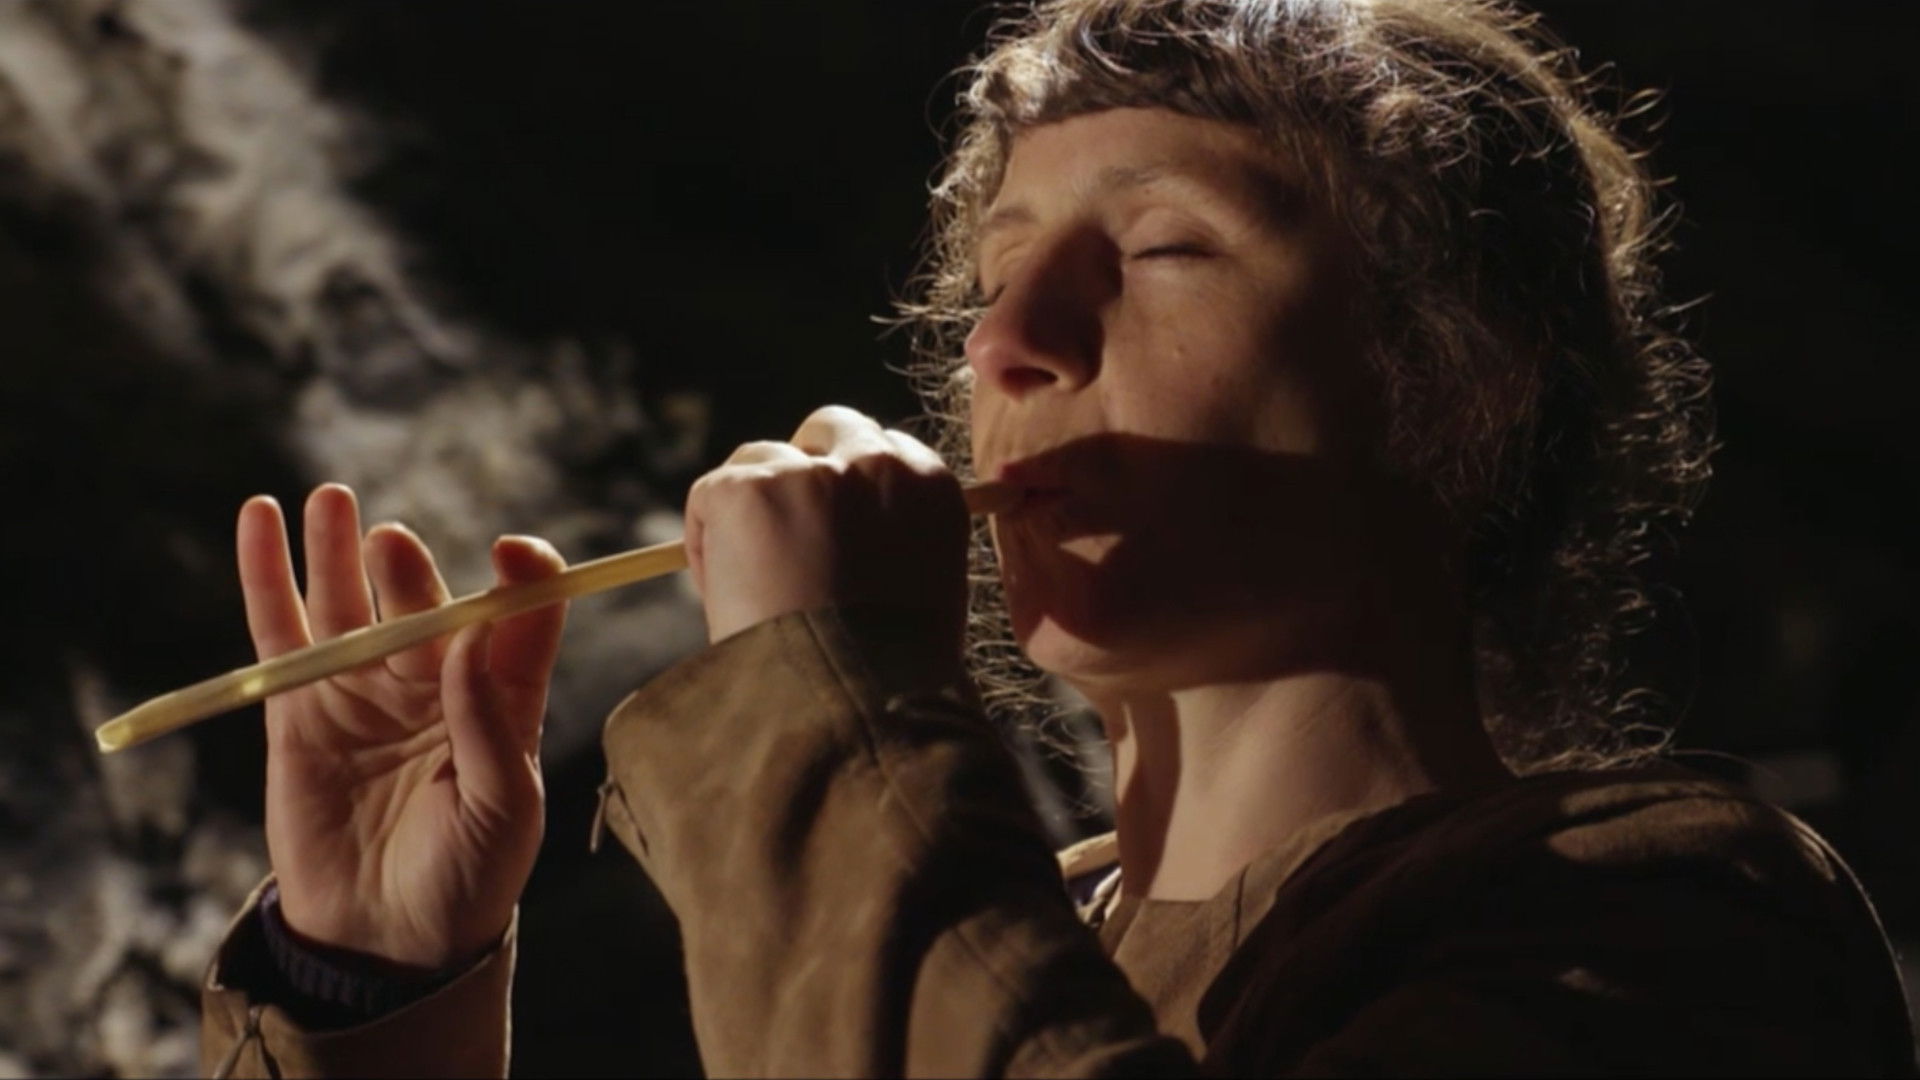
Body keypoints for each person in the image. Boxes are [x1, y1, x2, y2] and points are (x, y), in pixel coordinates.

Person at [199, 0, 1916, 1076]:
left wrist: (824, 699)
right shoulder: (970, 927)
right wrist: (368, 987)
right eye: (999, 272)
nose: (1008, 346)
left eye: (1164, 249)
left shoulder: (1673, 919)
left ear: (1460, 375)